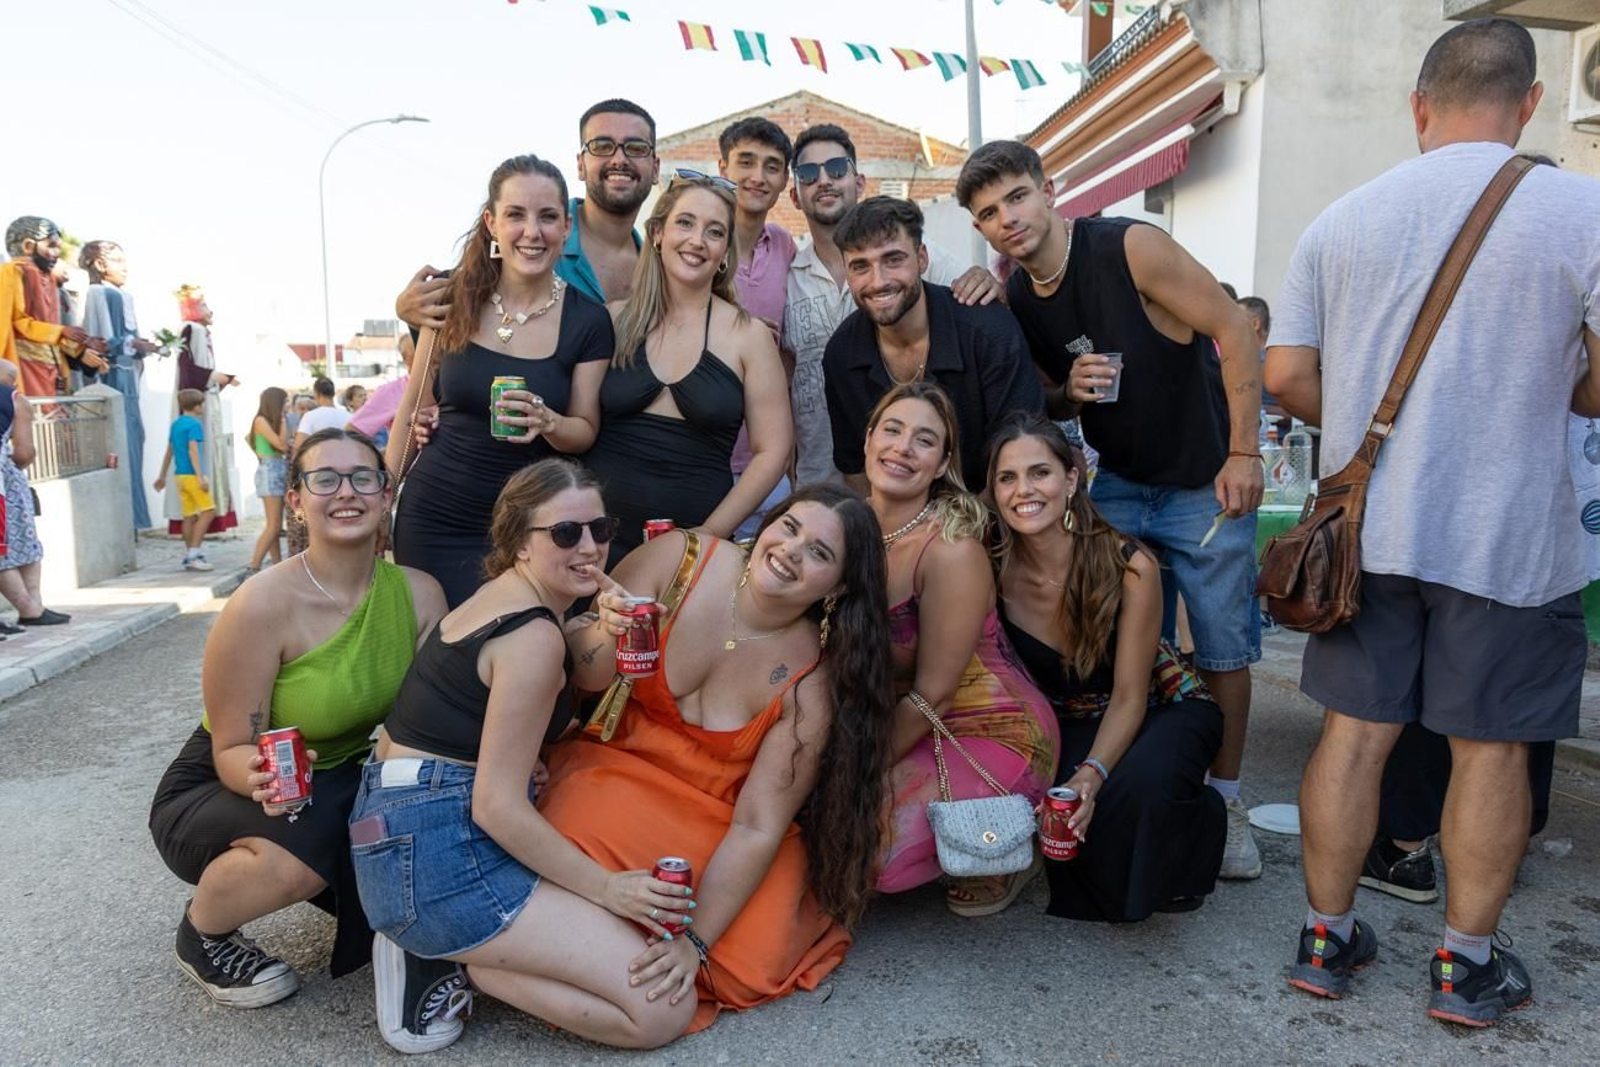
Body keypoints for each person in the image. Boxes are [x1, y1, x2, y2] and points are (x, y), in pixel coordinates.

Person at [1264, 18, 1599, 1024]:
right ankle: (1462, 966)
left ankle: (1324, 939)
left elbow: (1286, 374)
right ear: (1529, 101)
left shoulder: (1343, 217)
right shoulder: (1582, 209)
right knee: (1489, 748)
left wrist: (1374, 425)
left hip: (1367, 534)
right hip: (1509, 537)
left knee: (1354, 734)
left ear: (1419, 105)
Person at [351, 470, 894, 1048]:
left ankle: (477, 952)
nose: (790, 551)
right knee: (644, 968)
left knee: (753, 943)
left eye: (819, 552)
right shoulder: (682, 561)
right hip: (602, 781)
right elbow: (580, 672)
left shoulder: (811, 680)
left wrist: (697, 941)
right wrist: (606, 633)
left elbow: (758, 824)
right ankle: (463, 943)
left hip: (708, 818)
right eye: (788, 527)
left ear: (838, 586)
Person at [959, 139, 1267, 882]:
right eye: (989, 213)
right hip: (1120, 482)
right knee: (1118, 643)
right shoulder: (1020, 297)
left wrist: (1245, 452)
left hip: (1203, 479)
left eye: (1017, 197)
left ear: (1049, 190)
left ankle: (1226, 804)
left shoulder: (1130, 247)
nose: (1008, 219)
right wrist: (1068, 390)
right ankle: (1138, 784)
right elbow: (1053, 399)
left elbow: (1233, 328)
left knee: (1221, 647)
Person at [148, 428, 447, 1009]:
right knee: (304, 854)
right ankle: (202, 931)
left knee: (390, 816)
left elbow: (434, 717)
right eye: (324, 479)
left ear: (386, 494)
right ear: (296, 500)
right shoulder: (262, 602)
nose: (346, 492)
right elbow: (231, 748)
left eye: (363, 478)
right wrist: (261, 778)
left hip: (340, 775)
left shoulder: (420, 593)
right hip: (228, 781)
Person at [987, 413, 1225, 920]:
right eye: (1007, 477)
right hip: (1068, 718)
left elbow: (1130, 696)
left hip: (1159, 705)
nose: (1023, 490)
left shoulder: (1129, 564)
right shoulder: (991, 566)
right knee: (1063, 810)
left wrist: (1093, 774)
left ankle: (1194, 817)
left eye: (1040, 473)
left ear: (1071, 479)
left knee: (1133, 790)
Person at [863, 382, 1058, 914]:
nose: (903, 448)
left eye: (925, 440)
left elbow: (934, 696)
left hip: (989, 729)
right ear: (868, 439)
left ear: (943, 463)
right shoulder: (842, 527)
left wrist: (852, 773)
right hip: (897, 722)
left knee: (865, 852)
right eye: (893, 430)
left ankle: (1009, 843)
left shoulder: (950, 549)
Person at [386, 154, 611, 607]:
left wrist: (549, 421)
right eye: (515, 215)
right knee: (431, 640)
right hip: (433, 515)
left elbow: (585, 430)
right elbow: (414, 409)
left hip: (529, 530)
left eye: (547, 217)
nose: (532, 231)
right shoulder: (451, 298)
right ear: (492, 223)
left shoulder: (588, 320)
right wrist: (383, 499)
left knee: (518, 640)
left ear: (566, 228)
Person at [584, 173, 791, 566]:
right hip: (593, 543)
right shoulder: (612, 321)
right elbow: (576, 423)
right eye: (685, 223)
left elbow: (774, 452)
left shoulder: (749, 337)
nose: (697, 240)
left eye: (715, 232)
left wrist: (709, 534)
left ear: (725, 252)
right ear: (658, 233)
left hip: (691, 555)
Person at [784, 124, 1004, 486]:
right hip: (821, 477)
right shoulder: (786, 275)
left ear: (859, 183)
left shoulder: (916, 255)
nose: (823, 180)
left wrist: (989, 283)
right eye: (809, 173)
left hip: (914, 474)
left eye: (836, 169)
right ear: (795, 195)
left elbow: (982, 301)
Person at [823, 197, 1044, 492]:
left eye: (893, 259)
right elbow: (856, 469)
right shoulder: (841, 353)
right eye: (860, 266)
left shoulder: (988, 331)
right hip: (897, 515)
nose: (878, 281)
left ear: (922, 258)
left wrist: (964, 521)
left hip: (994, 508)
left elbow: (1025, 453)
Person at [394, 99, 658, 333]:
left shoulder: (662, 265)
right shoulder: (530, 238)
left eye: (636, 148)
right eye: (602, 146)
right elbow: (451, 309)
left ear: (656, 168)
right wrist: (411, 311)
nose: (619, 159)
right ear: (580, 165)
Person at [718, 117, 797, 539]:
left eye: (772, 166)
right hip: (704, 455)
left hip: (764, 461)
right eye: (746, 162)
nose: (758, 176)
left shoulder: (784, 246)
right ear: (723, 168)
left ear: (785, 180)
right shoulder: (698, 245)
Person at [79, 239, 156, 528]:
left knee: (135, 441)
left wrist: (140, 347)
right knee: (121, 443)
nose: (124, 268)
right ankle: (124, 519)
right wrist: (129, 344)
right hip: (112, 378)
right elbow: (97, 338)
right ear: (100, 264)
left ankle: (135, 518)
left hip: (128, 380)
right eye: (117, 261)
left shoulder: (124, 296)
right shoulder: (98, 292)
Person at [2, 216, 108, 396]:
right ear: (28, 246)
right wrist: (61, 331)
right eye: (51, 246)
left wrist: (82, 346)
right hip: (25, 365)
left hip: (52, 366)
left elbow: (53, 331)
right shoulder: (11, 272)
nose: (57, 253)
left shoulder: (48, 279)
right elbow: (19, 322)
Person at [165, 285, 238, 536]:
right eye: (204, 305)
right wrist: (214, 377)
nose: (210, 311)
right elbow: (187, 369)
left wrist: (220, 379)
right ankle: (196, 540)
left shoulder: (200, 332)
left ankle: (194, 545)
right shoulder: (191, 329)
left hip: (207, 401)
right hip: (202, 406)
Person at [0, 358, 66, 628]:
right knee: (22, 543)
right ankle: (32, 608)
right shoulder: (17, 400)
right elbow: (25, 452)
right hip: (7, 479)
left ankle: (32, 608)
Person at [155, 389, 218, 572]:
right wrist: (200, 477)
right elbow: (193, 450)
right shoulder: (194, 424)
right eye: (202, 404)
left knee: (189, 516)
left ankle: (191, 555)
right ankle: (194, 554)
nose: (203, 407)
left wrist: (162, 476)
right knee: (209, 511)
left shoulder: (176, 424)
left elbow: (169, 451)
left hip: (179, 476)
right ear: (196, 406)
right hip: (192, 476)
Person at [245, 386, 289, 572]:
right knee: (274, 525)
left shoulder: (267, 421)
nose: (287, 405)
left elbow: (248, 439)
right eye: (285, 401)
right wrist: (283, 419)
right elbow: (281, 444)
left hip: (275, 467)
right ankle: (254, 566)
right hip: (270, 470)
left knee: (275, 525)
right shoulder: (261, 420)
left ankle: (277, 566)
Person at [349, 333, 412, 450]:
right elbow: (352, 432)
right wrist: (383, 456)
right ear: (405, 359)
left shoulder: (445, 385)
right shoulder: (391, 391)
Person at [293, 376, 349, 449]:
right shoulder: (348, 416)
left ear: (316, 394)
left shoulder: (309, 416)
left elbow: (299, 445)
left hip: (319, 455)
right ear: (333, 393)